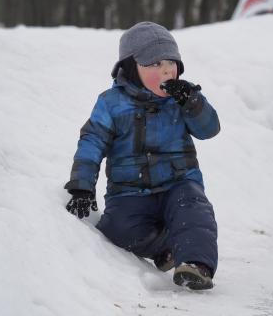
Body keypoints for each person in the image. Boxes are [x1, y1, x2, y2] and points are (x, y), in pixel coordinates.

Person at [64, 21, 220, 290]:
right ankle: (167, 247)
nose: (166, 70)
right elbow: (92, 142)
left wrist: (192, 103)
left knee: (194, 211)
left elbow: (209, 129)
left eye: (171, 62)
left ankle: (196, 264)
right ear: (131, 68)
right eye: (155, 64)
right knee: (116, 228)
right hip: (129, 192)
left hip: (178, 182)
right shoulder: (111, 104)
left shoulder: (183, 98)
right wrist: (82, 186)